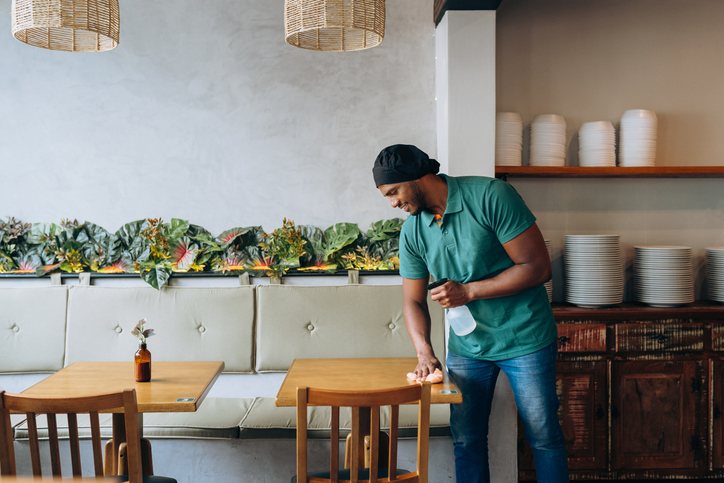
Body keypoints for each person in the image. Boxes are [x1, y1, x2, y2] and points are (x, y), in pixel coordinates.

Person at [372, 144, 569, 483]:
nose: (392, 203)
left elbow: (537, 267)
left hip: (526, 337)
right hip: (467, 347)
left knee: (543, 436)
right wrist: (424, 352)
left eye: (394, 192)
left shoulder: (492, 196)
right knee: (466, 439)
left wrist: (470, 291)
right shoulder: (412, 232)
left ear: (418, 177)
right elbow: (413, 301)